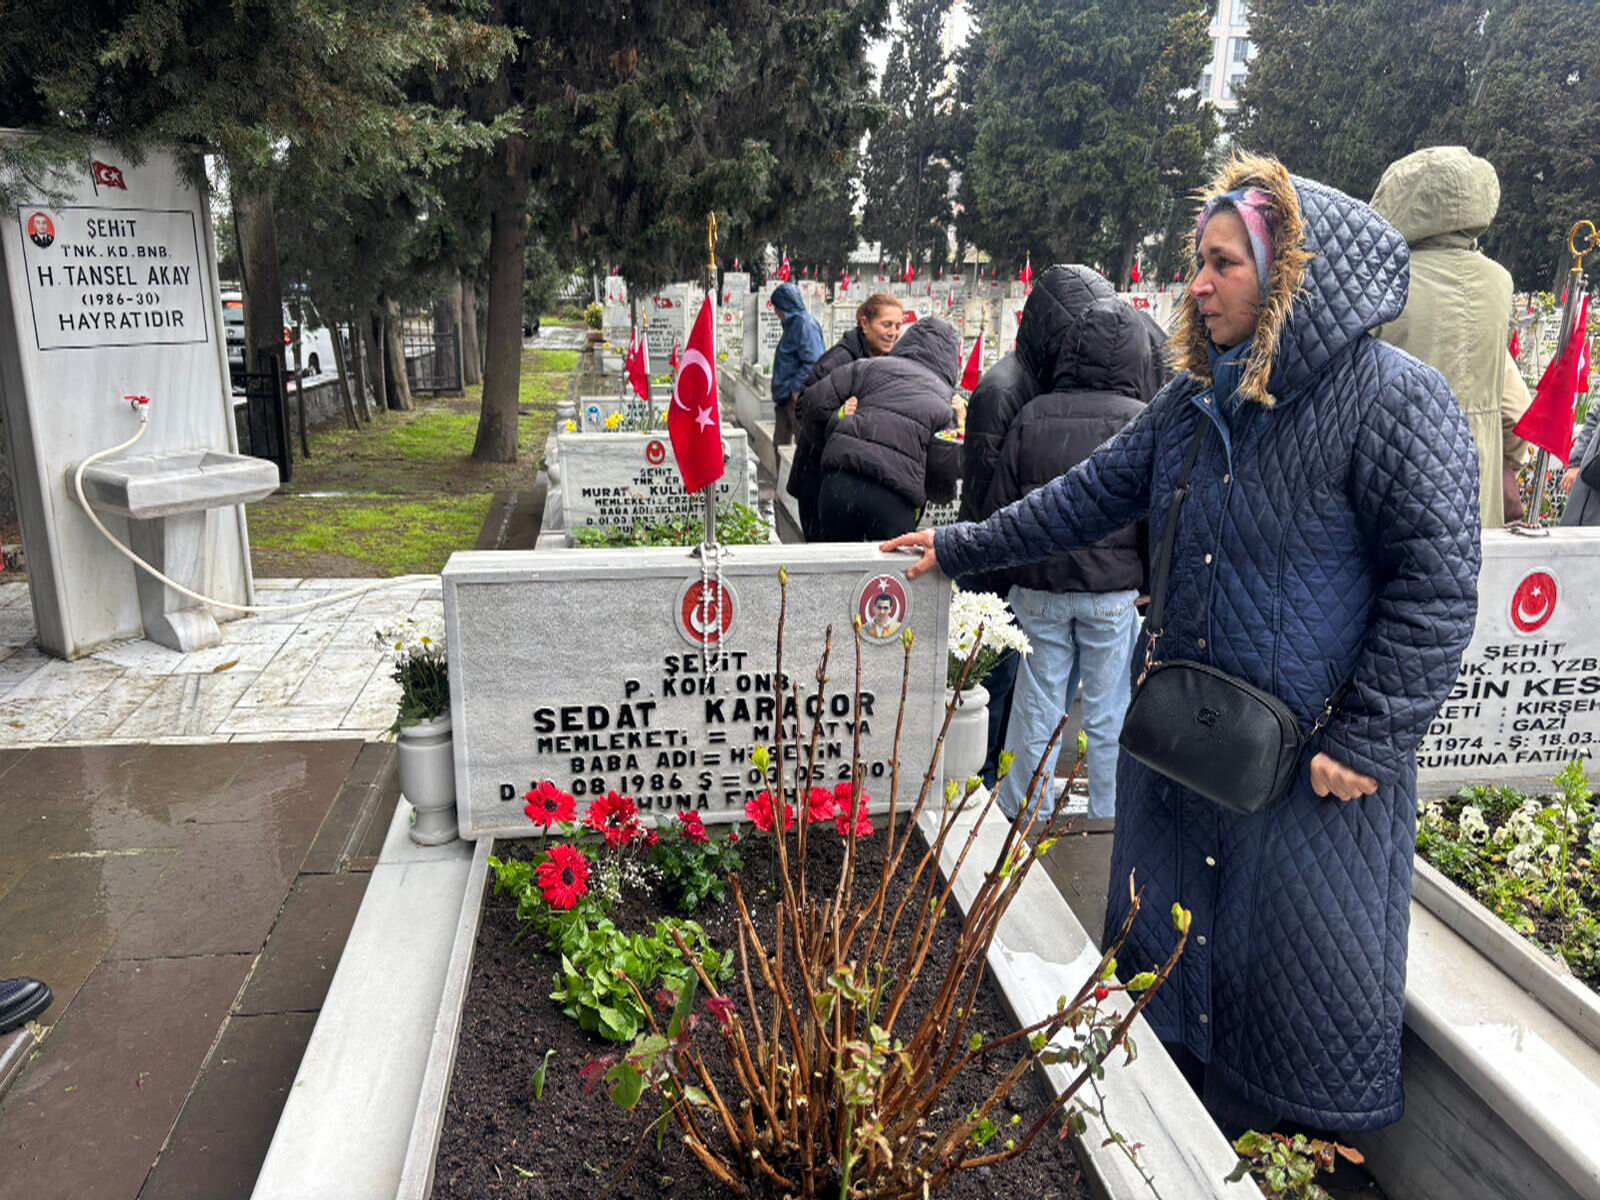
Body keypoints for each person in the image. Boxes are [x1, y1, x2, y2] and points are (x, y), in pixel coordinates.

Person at [885, 153, 1481, 1136]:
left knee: (1287, 987)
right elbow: (1084, 498)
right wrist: (959, 545)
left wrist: (1369, 739)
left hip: (1308, 772)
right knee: (1169, 972)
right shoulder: (1189, 403)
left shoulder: (1393, 401)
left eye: (1222, 263)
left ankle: (1272, 1154)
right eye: (1198, 261)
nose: (1196, 285)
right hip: (1183, 752)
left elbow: (1437, 585)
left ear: (1292, 275)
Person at [982, 266, 1160, 824]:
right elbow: (1157, 515)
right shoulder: (1143, 421)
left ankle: (1023, 808)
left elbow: (1003, 506)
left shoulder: (1032, 415)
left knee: (1037, 706)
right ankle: (1108, 813)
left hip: (1040, 587)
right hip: (1112, 593)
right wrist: (1150, 581)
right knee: (1110, 709)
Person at [1370, 146, 1514, 528]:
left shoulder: (1382, 282)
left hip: (1399, 467)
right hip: (1478, 470)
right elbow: (1515, 405)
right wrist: (1510, 463)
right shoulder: (1498, 282)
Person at [796, 317, 965, 542]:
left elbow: (812, 405)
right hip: (894, 502)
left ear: (907, 341)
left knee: (838, 562)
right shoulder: (946, 401)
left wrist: (831, 434)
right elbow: (942, 473)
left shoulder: (867, 366)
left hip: (838, 486)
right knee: (885, 565)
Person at [789, 293, 904, 540]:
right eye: (886, 324)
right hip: (819, 480)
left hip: (856, 484)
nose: (893, 333)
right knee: (826, 555)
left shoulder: (890, 361)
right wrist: (838, 416)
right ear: (864, 323)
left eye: (898, 326)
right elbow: (803, 408)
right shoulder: (838, 360)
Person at [770, 282, 825, 449]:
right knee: (780, 443)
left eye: (777, 306)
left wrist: (796, 388)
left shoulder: (805, 325)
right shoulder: (792, 324)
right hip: (784, 395)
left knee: (803, 443)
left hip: (795, 396)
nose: (775, 311)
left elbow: (814, 360)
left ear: (785, 305)